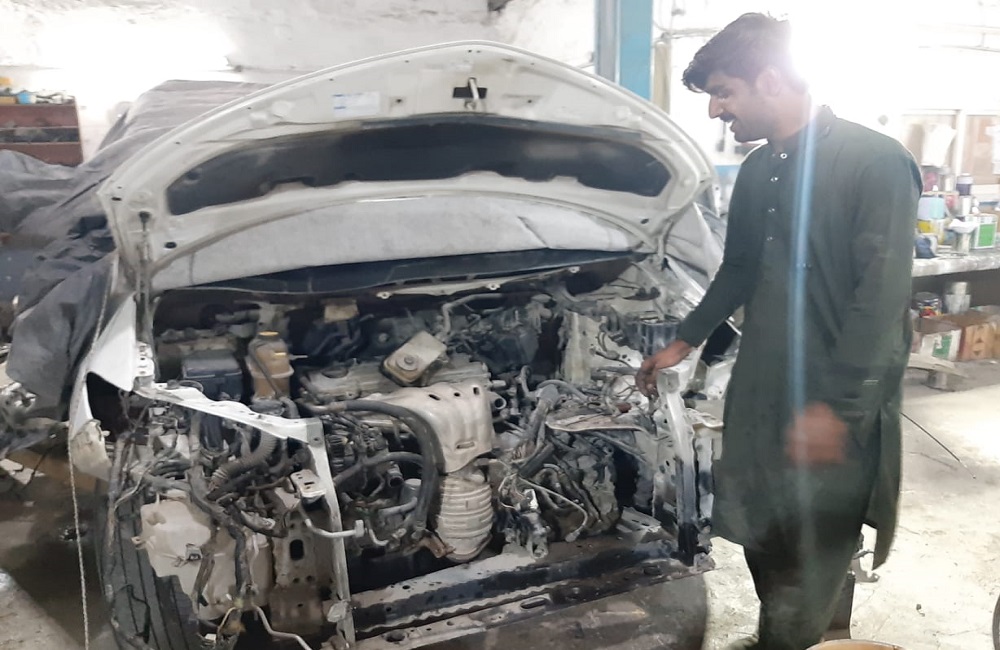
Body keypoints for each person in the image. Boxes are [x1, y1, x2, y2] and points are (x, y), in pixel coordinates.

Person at [635, 13, 920, 650]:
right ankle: (794, 636)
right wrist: (683, 340)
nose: (715, 110)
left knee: (814, 547)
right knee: (762, 529)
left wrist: (837, 412)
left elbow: (880, 302)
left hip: (834, 398)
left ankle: (794, 640)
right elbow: (738, 269)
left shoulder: (875, 161)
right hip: (764, 386)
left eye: (724, 92)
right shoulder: (760, 168)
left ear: (770, 79)